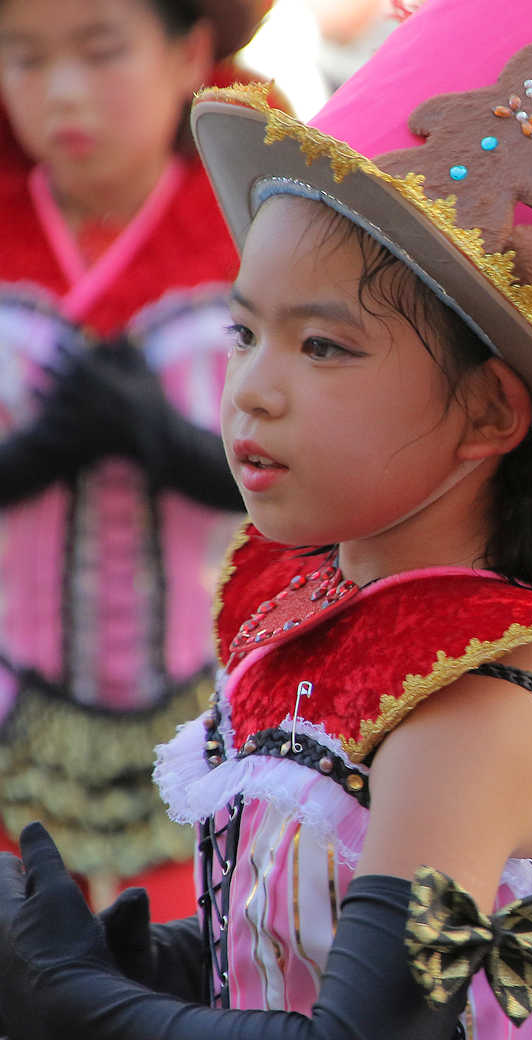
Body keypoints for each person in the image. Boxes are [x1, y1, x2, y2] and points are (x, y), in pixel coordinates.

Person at [0, 0, 532, 1040]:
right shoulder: (339, 628)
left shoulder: (468, 713)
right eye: (244, 332)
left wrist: (78, 1004)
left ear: (488, 413)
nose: (252, 390)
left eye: (324, 347)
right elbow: (295, 951)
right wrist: (125, 959)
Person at [0, 0, 275, 922]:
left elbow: (337, 481)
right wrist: (31, 456)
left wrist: (168, 442)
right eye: (23, 58)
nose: (61, 93)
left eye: (100, 51)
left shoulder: (267, 229)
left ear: (189, 51)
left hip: (220, 705)